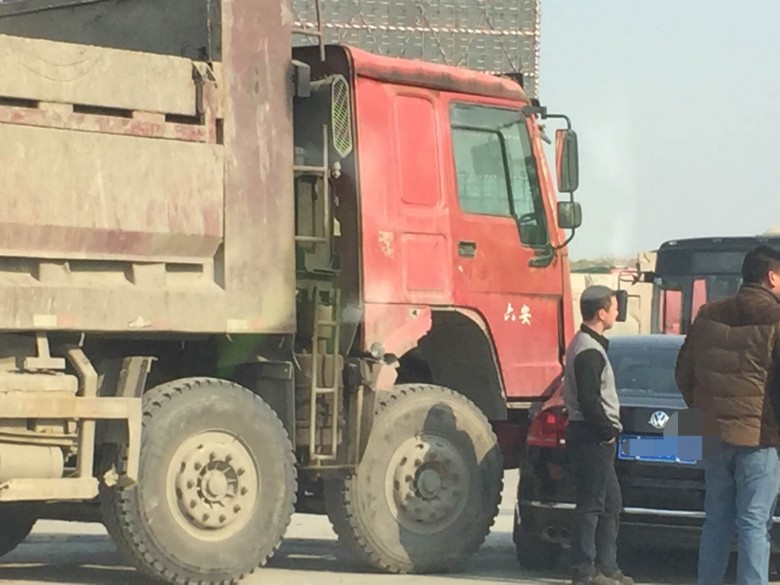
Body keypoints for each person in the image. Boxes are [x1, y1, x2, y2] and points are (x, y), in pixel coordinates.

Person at [675, 244, 780, 585]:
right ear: (772, 276)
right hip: (759, 438)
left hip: (711, 436)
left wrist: (704, 412)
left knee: (716, 520)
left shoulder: (708, 315)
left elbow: (683, 373)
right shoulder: (776, 319)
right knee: (754, 522)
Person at [563, 285, 634, 585]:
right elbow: (589, 401)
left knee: (610, 504)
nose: (618, 312)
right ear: (601, 313)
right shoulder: (588, 350)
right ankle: (584, 570)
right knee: (591, 505)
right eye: (614, 307)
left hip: (594, 436)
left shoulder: (591, 345)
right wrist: (607, 432)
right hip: (591, 437)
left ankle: (607, 566)